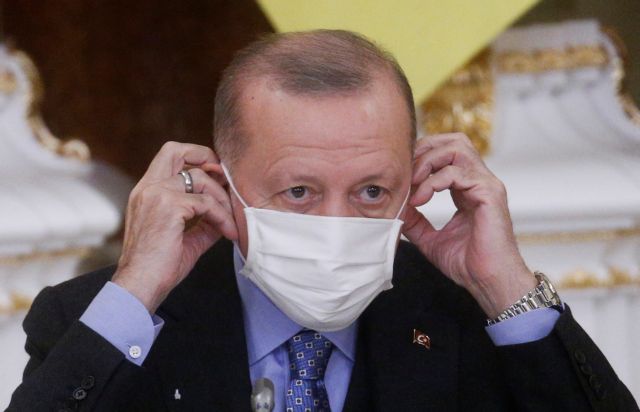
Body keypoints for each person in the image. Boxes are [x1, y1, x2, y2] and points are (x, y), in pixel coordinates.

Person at [7, 30, 638, 412]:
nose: (337, 223)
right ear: (224, 184)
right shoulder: (99, 319)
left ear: (414, 181)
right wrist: (138, 287)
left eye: (371, 191)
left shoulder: (468, 317)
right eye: (300, 191)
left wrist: (506, 286)